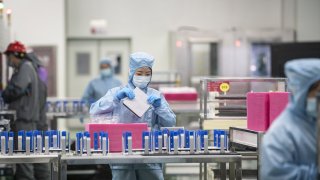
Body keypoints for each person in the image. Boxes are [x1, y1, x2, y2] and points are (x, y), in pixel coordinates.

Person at [90, 52, 176, 180]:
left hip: (149, 154)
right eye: (139, 73)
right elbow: (94, 111)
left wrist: (159, 107)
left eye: (147, 74)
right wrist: (116, 99)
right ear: (131, 72)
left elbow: (171, 122)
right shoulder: (116, 92)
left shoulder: (156, 95)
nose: (143, 77)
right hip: (122, 155)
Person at [260, 59, 320, 180]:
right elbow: (274, 176)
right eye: (318, 93)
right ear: (302, 92)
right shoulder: (280, 134)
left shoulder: (315, 122)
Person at [1, 41, 43, 180]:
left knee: (25, 162)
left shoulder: (25, 67)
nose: (9, 60)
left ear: (16, 55)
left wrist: (5, 94)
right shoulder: (27, 68)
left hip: (24, 122)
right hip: (25, 120)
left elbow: (17, 89)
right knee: (24, 160)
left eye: (10, 57)